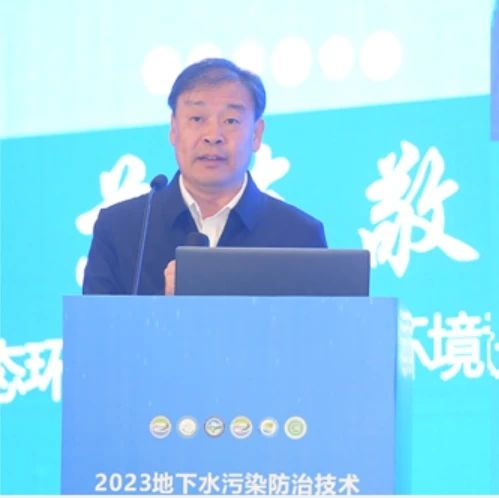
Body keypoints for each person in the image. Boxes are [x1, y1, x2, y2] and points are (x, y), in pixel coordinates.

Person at [83, 58, 327, 295]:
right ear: (174, 129)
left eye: (230, 120)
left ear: (256, 134)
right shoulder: (120, 229)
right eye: (197, 119)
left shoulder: (299, 236)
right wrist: (165, 307)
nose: (213, 136)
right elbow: (96, 323)